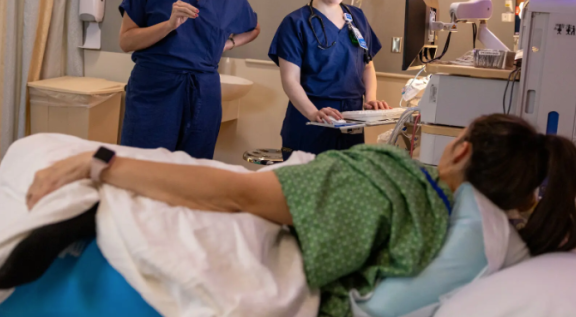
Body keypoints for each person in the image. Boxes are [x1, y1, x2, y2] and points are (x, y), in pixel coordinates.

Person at [26, 114, 576, 315]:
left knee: (42, 155)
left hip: (244, 260)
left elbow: (237, 199)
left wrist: (100, 161)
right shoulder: (475, 237)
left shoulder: (388, 186)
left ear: (458, 151)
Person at [118, 0, 260, 159]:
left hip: (203, 96)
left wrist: (225, 45)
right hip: (154, 91)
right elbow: (126, 41)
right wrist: (169, 25)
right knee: (143, 172)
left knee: (192, 177)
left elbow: (253, 28)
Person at [268, 0, 390, 160]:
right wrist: (313, 113)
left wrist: (371, 98)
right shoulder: (295, 23)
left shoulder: (357, 18)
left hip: (351, 123)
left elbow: (368, 65)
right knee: (307, 190)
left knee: (344, 190)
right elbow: (290, 81)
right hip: (311, 123)